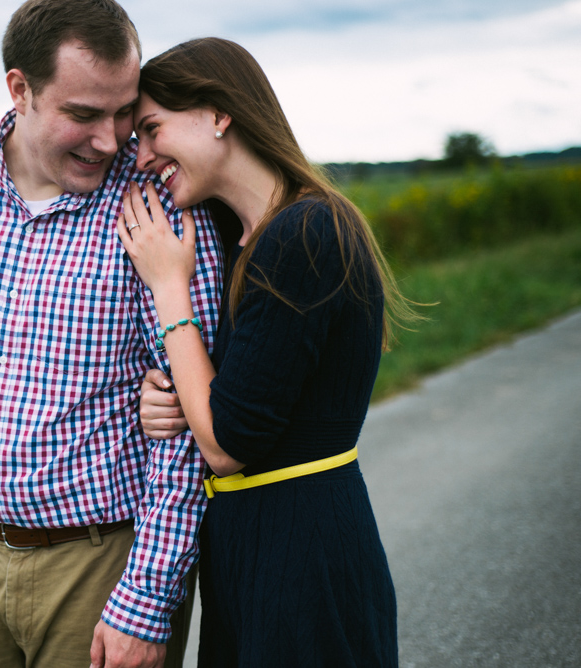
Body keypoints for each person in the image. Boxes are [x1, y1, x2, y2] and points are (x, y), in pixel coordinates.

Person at [0, 2, 224, 666]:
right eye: (85, 115)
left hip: (103, 572)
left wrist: (146, 601)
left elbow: (184, 420)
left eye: (125, 112)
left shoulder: (158, 207)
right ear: (20, 89)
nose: (112, 139)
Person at [119, 37, 410, 666]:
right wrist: (167, 400)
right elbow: (229, 395)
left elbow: (226, 443)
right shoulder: (241, 239)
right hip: (250, 545)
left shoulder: (306, 232)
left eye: (150, 129)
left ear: (219, 114)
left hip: (302, 550)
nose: (139, 157)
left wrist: (169, 288)